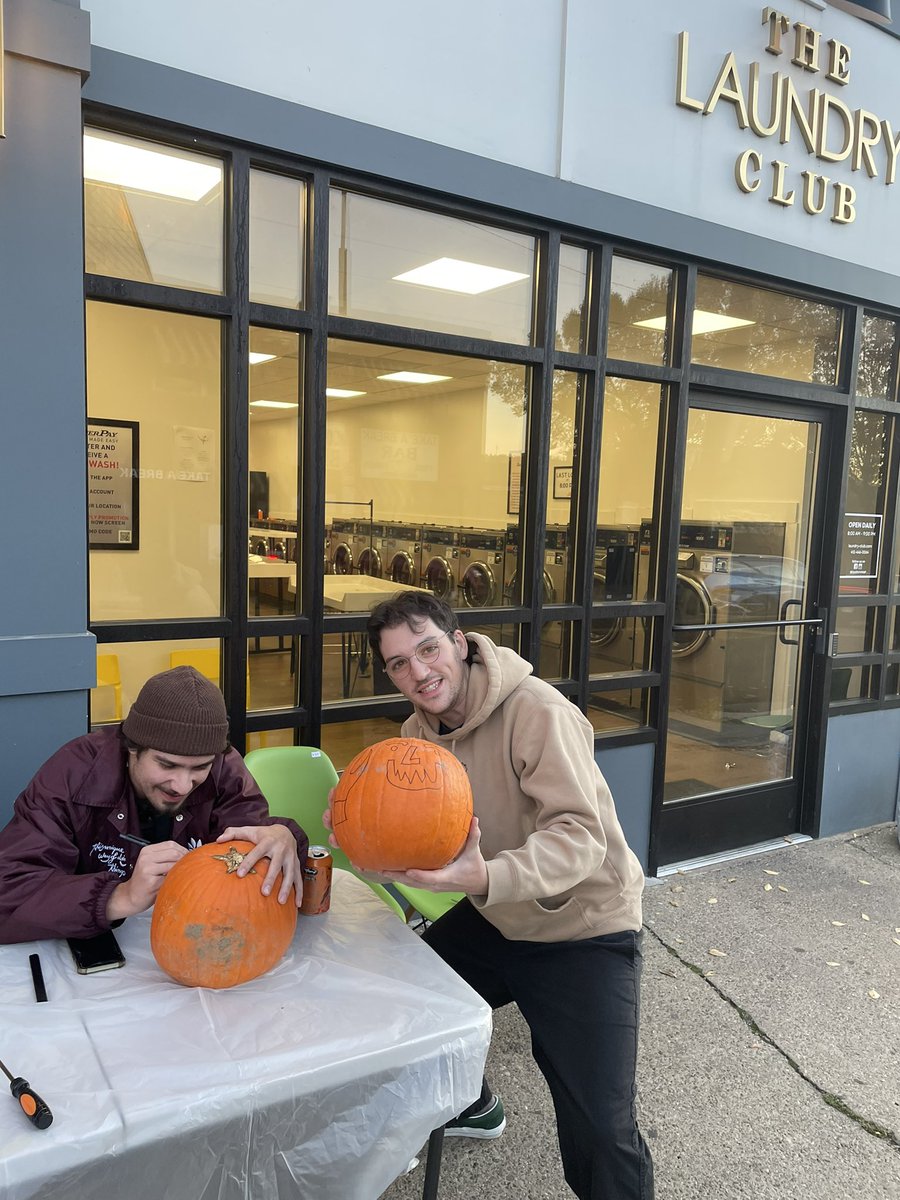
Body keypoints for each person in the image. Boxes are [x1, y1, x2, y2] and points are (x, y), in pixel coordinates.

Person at [335, 591, 654, 1200]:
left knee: (600, 1131)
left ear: (459, 643)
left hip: (581, 930)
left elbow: (581, 837)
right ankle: (472, 1101)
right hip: (498, 916)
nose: (419, 671)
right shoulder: (416, 737)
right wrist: (364, 840)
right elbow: (423, 836)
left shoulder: (537, 711)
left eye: (428, 648)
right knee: (401, 998)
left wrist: (482, 878)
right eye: (399, 663)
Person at [0, 665, 309, 944]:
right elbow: (9, 890)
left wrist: (281, 836)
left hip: (198, 943)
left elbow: (250, 848)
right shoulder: (74, 772)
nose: (182, 785)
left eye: (199, 768)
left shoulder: (224, 768)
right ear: (132, 747)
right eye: (167, 764)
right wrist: (117, 897)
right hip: (92, 958)